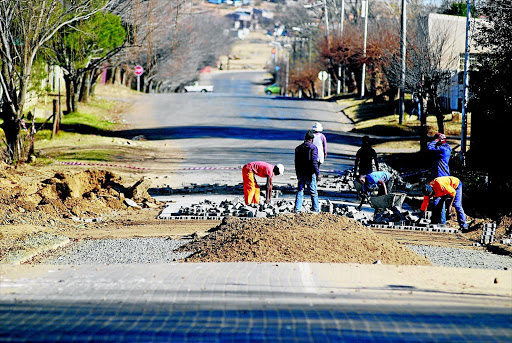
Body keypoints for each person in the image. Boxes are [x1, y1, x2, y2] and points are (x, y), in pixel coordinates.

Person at [294, 130, 321, 213]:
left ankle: (297, 209)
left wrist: (297, 173)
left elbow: (296, 162)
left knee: (300, 190)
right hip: (309, 173)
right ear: (312, 139)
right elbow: (314, 162)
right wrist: (318, 173)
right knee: (313, 192)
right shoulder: (313, 148)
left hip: (300, 172)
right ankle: (316, 209)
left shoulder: (298, 148)